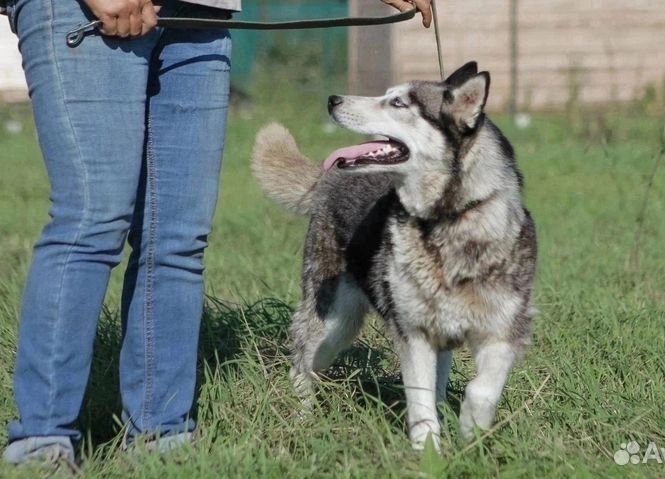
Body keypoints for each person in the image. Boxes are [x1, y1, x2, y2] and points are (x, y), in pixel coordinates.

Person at [1, 0, 432, 466]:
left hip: (200, 12)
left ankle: (161, 439)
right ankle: (41, 446)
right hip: (84, 10)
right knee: (92, 222)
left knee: (177, 240)